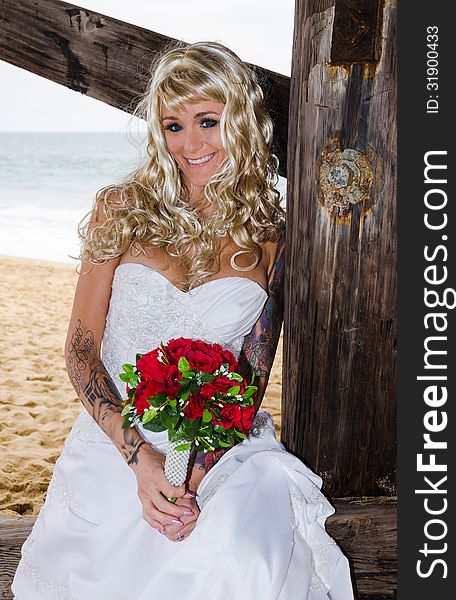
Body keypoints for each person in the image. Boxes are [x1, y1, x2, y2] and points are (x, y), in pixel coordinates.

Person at [12, 41, 354, 599]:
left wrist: (196, 466)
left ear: (241, 121)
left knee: (245, 537)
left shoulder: (277, 239)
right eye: (173, 126)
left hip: (216, 447)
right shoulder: (120, 209)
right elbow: (79, 350)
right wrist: (142, 459)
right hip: (113, 442)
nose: (189, 145)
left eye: (207, 121)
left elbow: (252, 373)